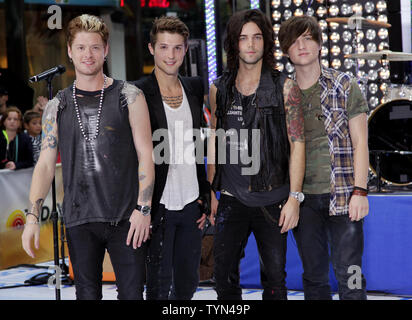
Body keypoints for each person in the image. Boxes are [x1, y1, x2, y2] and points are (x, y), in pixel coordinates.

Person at [21, 14, 155, 300]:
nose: (88, 54)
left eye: (95, 47)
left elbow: (146, 154)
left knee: (132, 294)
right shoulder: (57, 106)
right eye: (81, 47)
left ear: (106, 50)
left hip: (126, 218)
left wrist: (143, 209)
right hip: (79, 218)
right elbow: (45, 164)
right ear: (69, 51)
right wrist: (32, 216)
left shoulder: (130, 95)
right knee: (86, 295)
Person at [207, 9, 305, 300]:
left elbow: (297, 144)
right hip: (231, 199)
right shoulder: (218, 89)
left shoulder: (285, 88)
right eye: (243, 38)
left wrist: (294, 198)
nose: (250, 45)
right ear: (234, 44)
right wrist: (213, 190)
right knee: (222, 277)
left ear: (266, 42)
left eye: (256, 37)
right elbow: (215, 139)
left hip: (273, 200)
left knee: (275, 280)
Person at [278, 15, 369, 300]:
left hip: (343, 195)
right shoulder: (282, 94)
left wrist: (360, 191)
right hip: (303, 200)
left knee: (351, 275)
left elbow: (361, 142)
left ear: (319, 44)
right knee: (313, 278)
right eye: (294, 41)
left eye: (307, 38)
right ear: (286, 51)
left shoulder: (344, 84)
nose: (301, 46)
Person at [134, 16, 211, 300]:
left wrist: (205, 193)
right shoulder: (137, 90)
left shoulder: (194, 87)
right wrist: (141, 205)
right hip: (158, 205)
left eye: (177, 48)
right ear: (152, 49)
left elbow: (198, 145)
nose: (171, 54)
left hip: (191, 204)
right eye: (164, 47)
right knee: (157, 286)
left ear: (186, 49)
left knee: (188, 284)